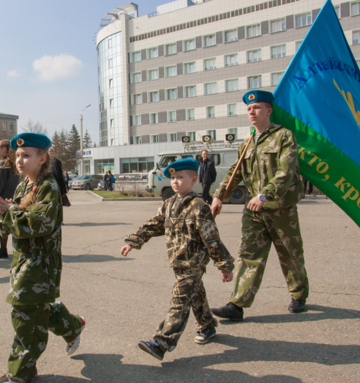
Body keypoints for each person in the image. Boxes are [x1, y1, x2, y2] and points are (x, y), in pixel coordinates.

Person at [0, 133, 85, 383]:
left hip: (39, 265)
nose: (19, 160)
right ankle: (72, 326)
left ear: (42, 158)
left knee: (26, 315)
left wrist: (9, 212)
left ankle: (20, 372)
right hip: (23, 262)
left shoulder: (48, 186)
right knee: (36, 308)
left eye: (26, 155)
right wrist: (4, 215)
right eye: (18, 156)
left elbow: (39, 223)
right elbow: (8, 227)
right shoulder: (23, 186)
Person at [120, 158, 234, 360]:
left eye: (180, 177)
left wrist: (224, 266)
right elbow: (153, 225)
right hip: (178, 263)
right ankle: (207, 325)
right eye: (172, 177)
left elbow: (212, 239)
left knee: (180, 301)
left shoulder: (199, 206)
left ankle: (162, 342)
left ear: (194, 180)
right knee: (196, 294)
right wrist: (133, 241)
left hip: (193, 265)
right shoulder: (169, 204)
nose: (175, 181)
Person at [210, 90, 308, 321]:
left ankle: (299, 293)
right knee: (249, 255)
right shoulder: (247, 143)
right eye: (248, 109)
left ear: (269, 110)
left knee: (290, 254)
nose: (251, 112)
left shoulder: (283, 136)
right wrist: (218, 196)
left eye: (256, 108)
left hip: (281, 207)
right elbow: (235, 173)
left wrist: (265, 194)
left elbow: (287, 170)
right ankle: (237, 304)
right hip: (253, 211)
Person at [0, 139, 20, 259]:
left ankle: (3, 250)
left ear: (4, 149)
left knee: (2, 225)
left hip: (2, 199)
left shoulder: (3, 164)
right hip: (13, 198)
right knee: (13, 224)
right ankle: (17, 249)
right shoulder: (15, 163)